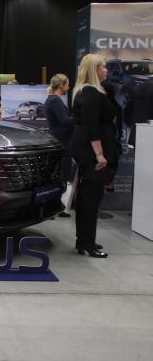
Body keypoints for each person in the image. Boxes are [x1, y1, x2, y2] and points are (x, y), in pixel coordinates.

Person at [70, 54, 119, 258]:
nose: (106, 70)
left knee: (88, 196)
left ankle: (85, 240)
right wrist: (99, 154)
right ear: (94, 70)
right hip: (92, 153)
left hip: (88, 151)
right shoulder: (91, 94)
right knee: (90, 198)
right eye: (103, 67)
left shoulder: (88, 92)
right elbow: (92, 127)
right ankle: (86, 242)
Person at [44, 73, 74, 217]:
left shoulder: (51, 99)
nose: (69, 86)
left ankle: (54, 206)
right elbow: (64, 121)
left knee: (58, 173)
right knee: (61, 174)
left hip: (58, 139)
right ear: (61, 85)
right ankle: (55, 207)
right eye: (67, 84)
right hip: (62, 140)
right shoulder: (55, 100)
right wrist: (79, 118)